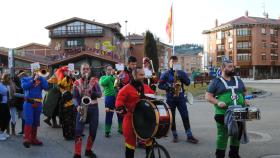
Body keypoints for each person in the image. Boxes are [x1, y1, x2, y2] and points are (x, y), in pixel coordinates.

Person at [205, 60, 249, 158]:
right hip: (222, 113)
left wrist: (245, 100)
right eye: (229, 67)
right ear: (223, 68)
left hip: (240, 112)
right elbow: (208, 96)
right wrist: (218, 102)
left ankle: (234, 154)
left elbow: (245, 92)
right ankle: (220, 155)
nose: (232, 68)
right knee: (223, 135)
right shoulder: (216, 81)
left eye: (232, 66)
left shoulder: (238, 80)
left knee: (237, 134)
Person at [115, 67, 155, 158]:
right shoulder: (125, 89)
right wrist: (120, 107)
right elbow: (119, 101)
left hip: (144, 119)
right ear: (134, 76)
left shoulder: (145, 87)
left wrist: (154, 94)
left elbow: (153, 97)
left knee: (149, 140)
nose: (143, 76)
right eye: (141, 75)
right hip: (130, 119)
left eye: (143, 74)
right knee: (130, 144)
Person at [158, 56, 198, 144]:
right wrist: (168, 87)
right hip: (170, 98)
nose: (174, 63)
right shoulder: (166, 73)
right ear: (169, 63)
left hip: (180, 97)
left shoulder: (181, 72)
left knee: (185, 116)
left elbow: (187, 83)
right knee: (172, 117)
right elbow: (160, 85)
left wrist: (182, 77)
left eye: (176, 62)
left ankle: (189, 135)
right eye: (173, 61)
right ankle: (175, 135)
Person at [73, 63, 102, 158]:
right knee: (78, 130)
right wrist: (77, 106)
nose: (85, 71)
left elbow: (100, 94)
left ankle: (88, 150)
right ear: (81, 71)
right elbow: (74, 97)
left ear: (89, 70)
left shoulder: (95, 81)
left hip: (93, 108)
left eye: (87, 69)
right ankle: (77, 154)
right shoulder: (77, 83)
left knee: (93, 130)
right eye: (84, 69)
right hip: (82, 107)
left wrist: (92, 93)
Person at [21, 70, 48, 148]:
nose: (36, 72)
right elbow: (24, 86)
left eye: (37, 71)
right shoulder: (25, 78)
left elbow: (46, 87)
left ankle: (33, 139)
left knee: (36, 121)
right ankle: (26, 139)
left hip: (38, 103)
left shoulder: (42, 79)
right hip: (28, 103)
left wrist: (41, 78)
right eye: (34, 70)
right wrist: (33, 80)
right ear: (32, 70)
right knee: (29, 120)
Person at [99, 66, 123, 137]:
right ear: (106, 70)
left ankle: (120, 129)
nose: (110, 70)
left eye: (111, 69)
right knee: (109, 114)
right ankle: (107, 131)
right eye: (108, 69)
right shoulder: (103, 77)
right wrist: (110, 76)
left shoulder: (115, 77)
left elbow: (119, 85)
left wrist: (118, 79)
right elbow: (102, 83)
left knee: (120, 113)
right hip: (109, 98)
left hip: (117, 97)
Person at [58, 76, 76, 140]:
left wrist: (72, 77)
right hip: (66, 106)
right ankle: (67, 135)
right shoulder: (64, 80)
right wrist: (68, 76)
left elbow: (75, 84)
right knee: (66, 121)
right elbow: (62, 85)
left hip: (72, 104)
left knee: (72, 120)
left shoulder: (72, 80)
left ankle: (73, 134)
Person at [14, 70, 26, 135]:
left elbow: (24, 94)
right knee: (23, 117)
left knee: (23, 117)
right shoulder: (19, 83)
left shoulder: (21, 83)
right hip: (21, 102)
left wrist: (14, 94)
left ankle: (23, 131)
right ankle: (23, 131)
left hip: (21, 102)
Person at [0, 73, 11, 141]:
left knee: (8, 117)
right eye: (8, 78)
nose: (9, 79)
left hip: (5, 103)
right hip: (1, 104)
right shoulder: (1, 84)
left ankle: (3, 131)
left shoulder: (6, 85)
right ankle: (0, 133)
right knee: (2, 118)